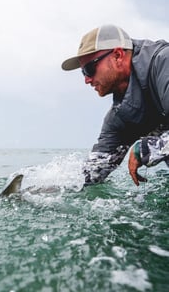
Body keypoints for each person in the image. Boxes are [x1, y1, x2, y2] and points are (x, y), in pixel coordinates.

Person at [61, 24, 169, 186]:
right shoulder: (120, 117)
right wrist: (50, 192)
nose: (87, 79)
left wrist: (147, 148)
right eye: (83, 72)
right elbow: (93, 172)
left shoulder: (163, 62)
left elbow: (149, 149)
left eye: (89, 69)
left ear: (118, 55)